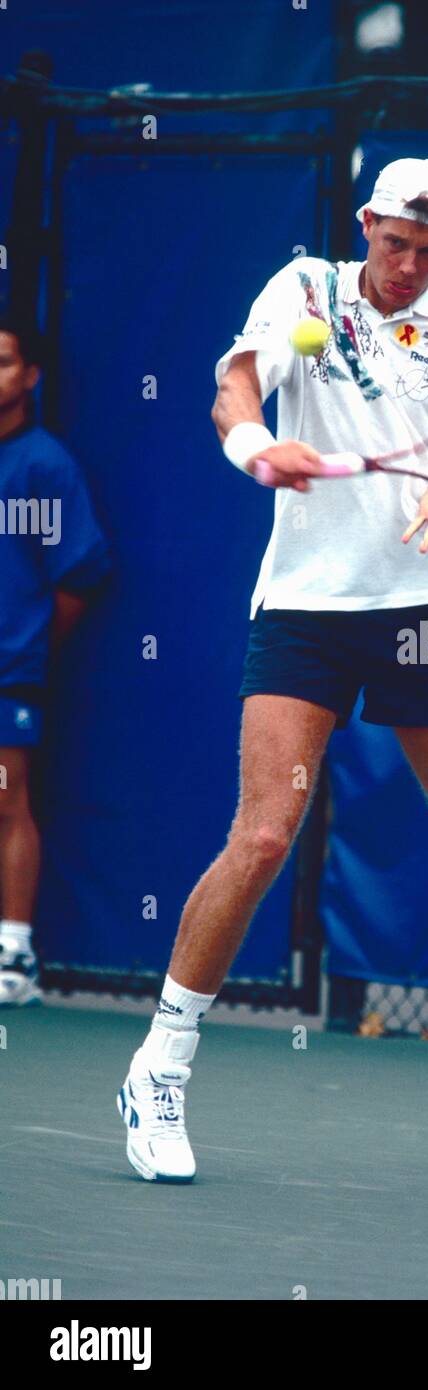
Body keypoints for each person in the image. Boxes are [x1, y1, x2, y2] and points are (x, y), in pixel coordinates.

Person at [116, 157, 428, 1183]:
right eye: (394, 245)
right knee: (261, 836)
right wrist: (256, 450)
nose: (408, 267)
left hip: (424, 605)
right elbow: (233, 388)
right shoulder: (303, 292)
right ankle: (159, 1068)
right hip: (304, 611)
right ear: (365, 223)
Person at [0, 318, 112, 1005]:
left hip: (8, 671)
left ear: (30, 377)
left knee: (7, 800)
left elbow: (81, 576)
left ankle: (14, 955)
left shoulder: (45, 466)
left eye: (4, 362)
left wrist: (25, 646)